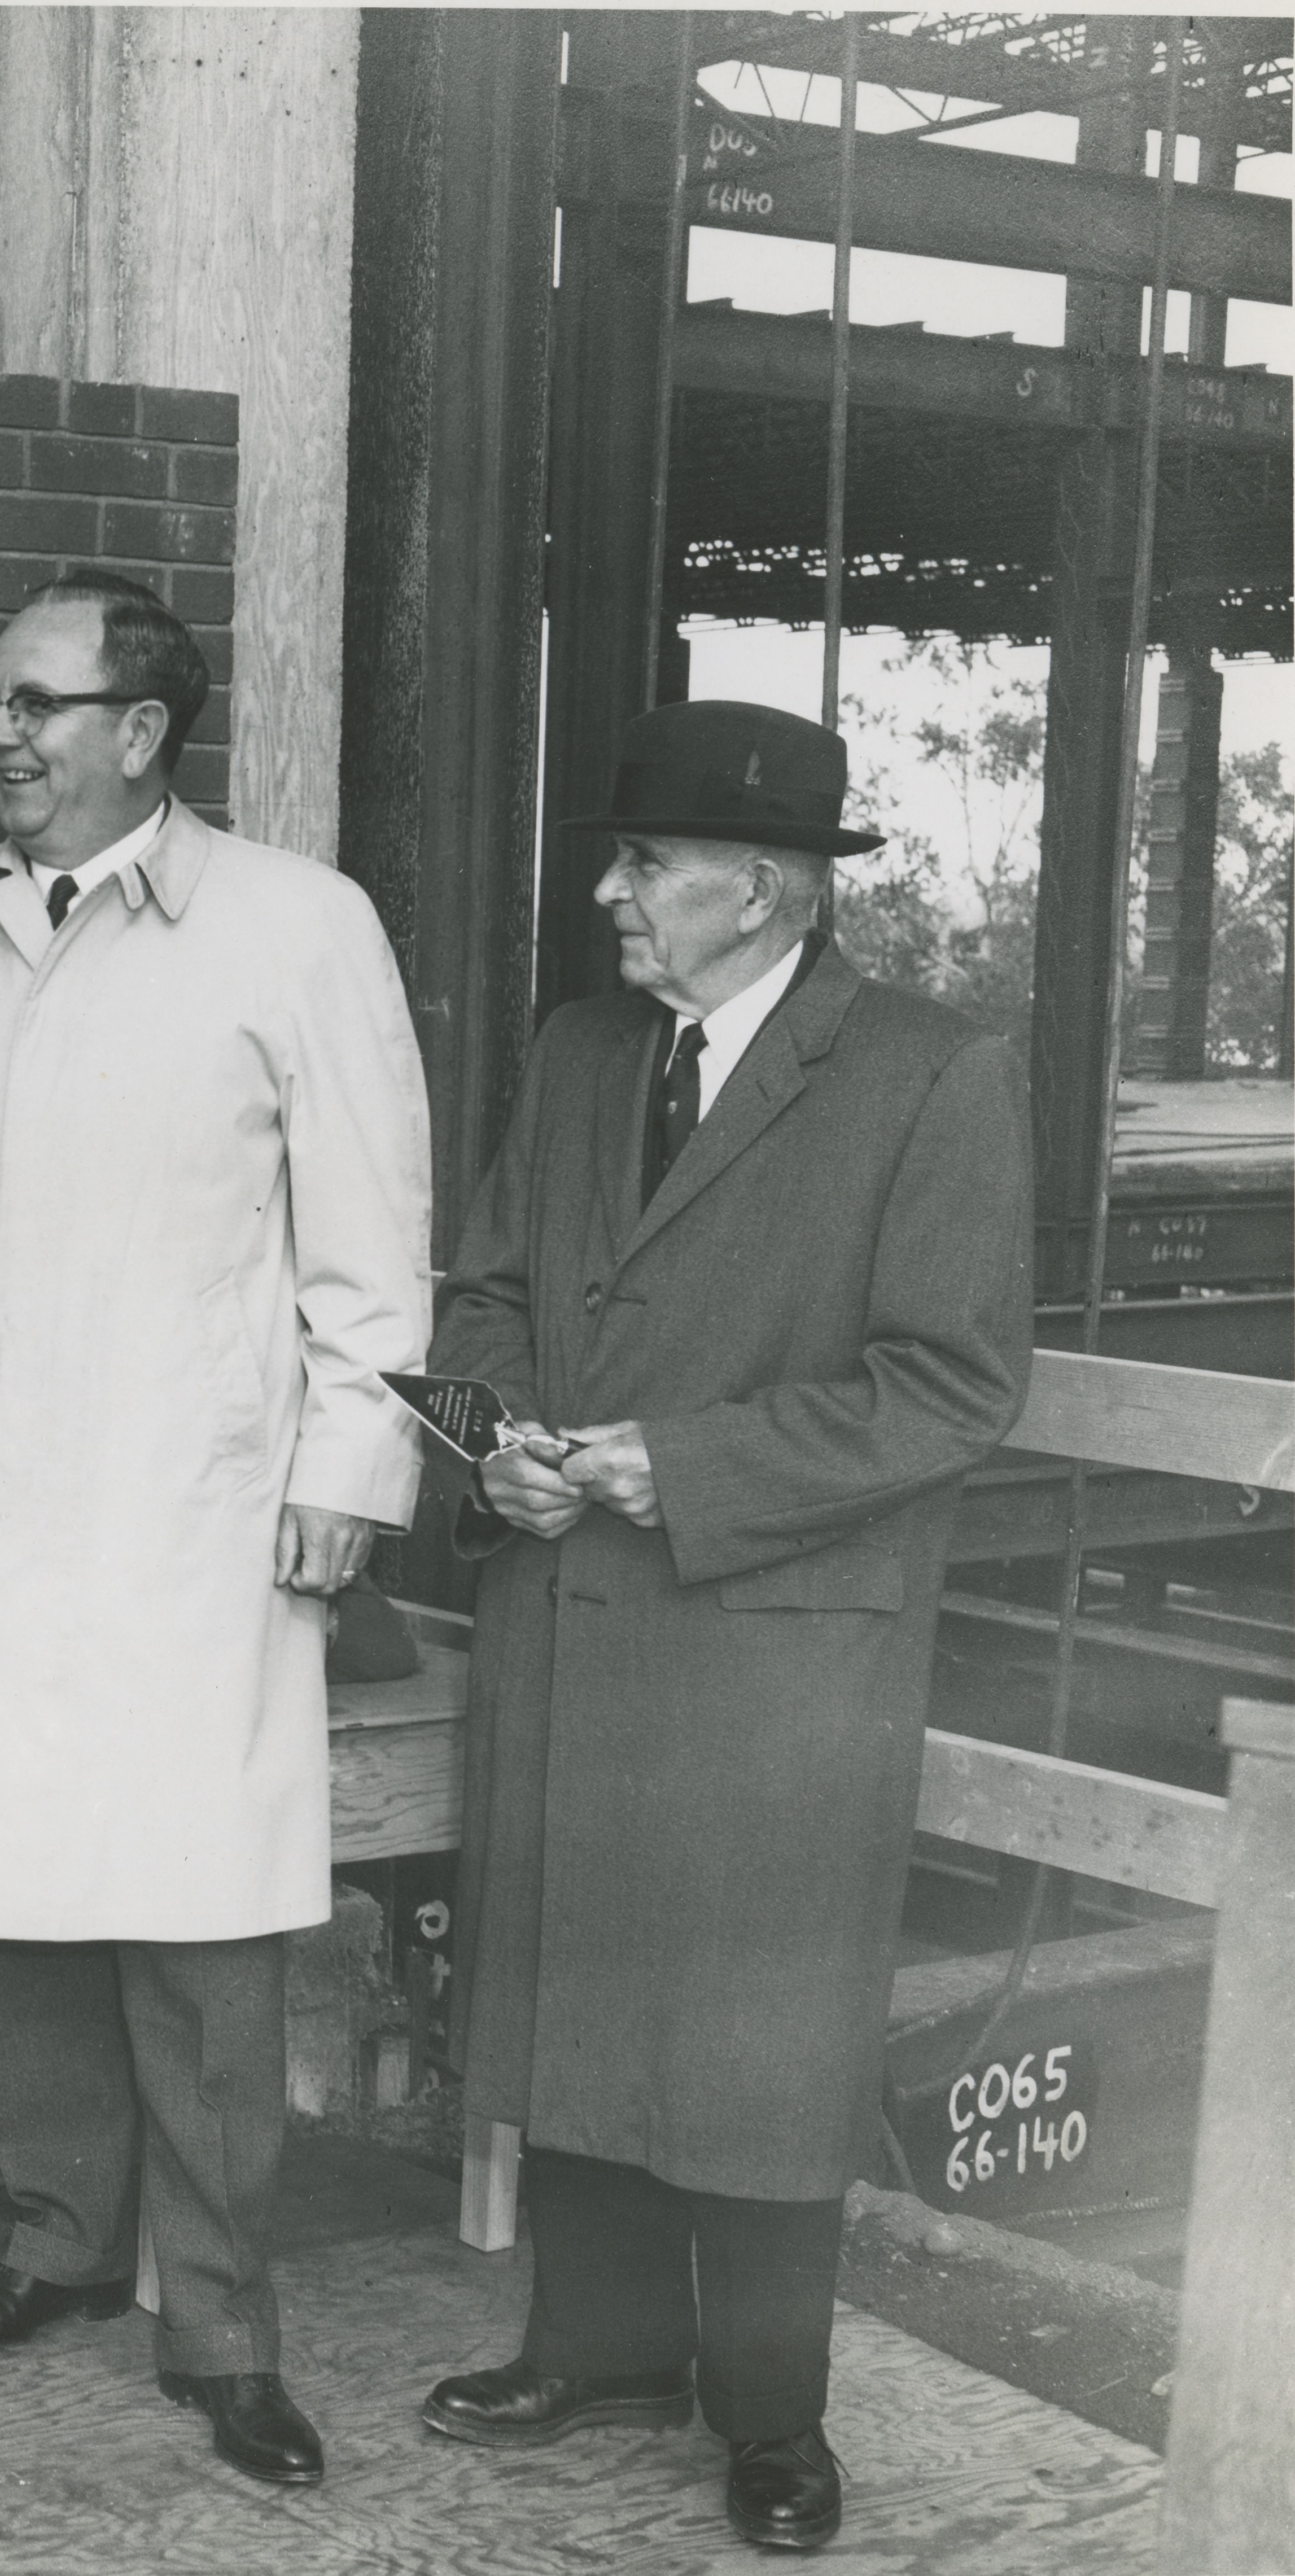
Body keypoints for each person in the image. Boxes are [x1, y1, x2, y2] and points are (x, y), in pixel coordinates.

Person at [0, 570, 430, 2487]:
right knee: (17, 1896)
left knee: (202, 1925)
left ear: (142, 731)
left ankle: (220, 2325)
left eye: (38, 705)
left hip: (191, 1521)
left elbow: (372, 1251)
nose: (0, 734)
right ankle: (56, 2243)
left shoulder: (297, 929)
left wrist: (343, 1475)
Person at [419, 701, 1035, 2552]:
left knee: (760, 2044)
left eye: (642, 864)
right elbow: (482, 1296)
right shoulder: (584, 1047)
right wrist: (500, 1458)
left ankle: (771, 2415)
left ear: (757, 891)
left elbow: (948, 1385)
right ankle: (598, 2347)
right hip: (578, 1602)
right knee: (583, 1983)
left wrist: (661, 1467)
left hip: (774, 1644)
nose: (610, 893)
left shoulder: (928, 1072)